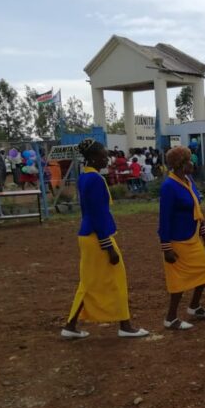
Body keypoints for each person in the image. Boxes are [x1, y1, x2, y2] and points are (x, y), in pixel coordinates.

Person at [62, 139, 148, 340]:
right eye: (103, 155)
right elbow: (98, 214)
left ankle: (71, 325)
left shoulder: (85, 177)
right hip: (97, 237)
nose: (106, 159)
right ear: (93, 157)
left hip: (90, 235)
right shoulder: (95, 180)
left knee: (89, 282)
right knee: (115, 279)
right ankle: (125, 326)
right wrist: (108, 246)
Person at [159, 146, 205, 331]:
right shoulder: (169, 186)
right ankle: (171, 318)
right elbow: (164, 218)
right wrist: (166, 247)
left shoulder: (188, 180)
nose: (193, 163)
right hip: (178, 240)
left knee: (204, 270)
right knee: (179, 281)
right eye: (189, 160)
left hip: (193, 237)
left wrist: (204, 233)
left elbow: (197, 210)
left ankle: (194, 306)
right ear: (181, 164)